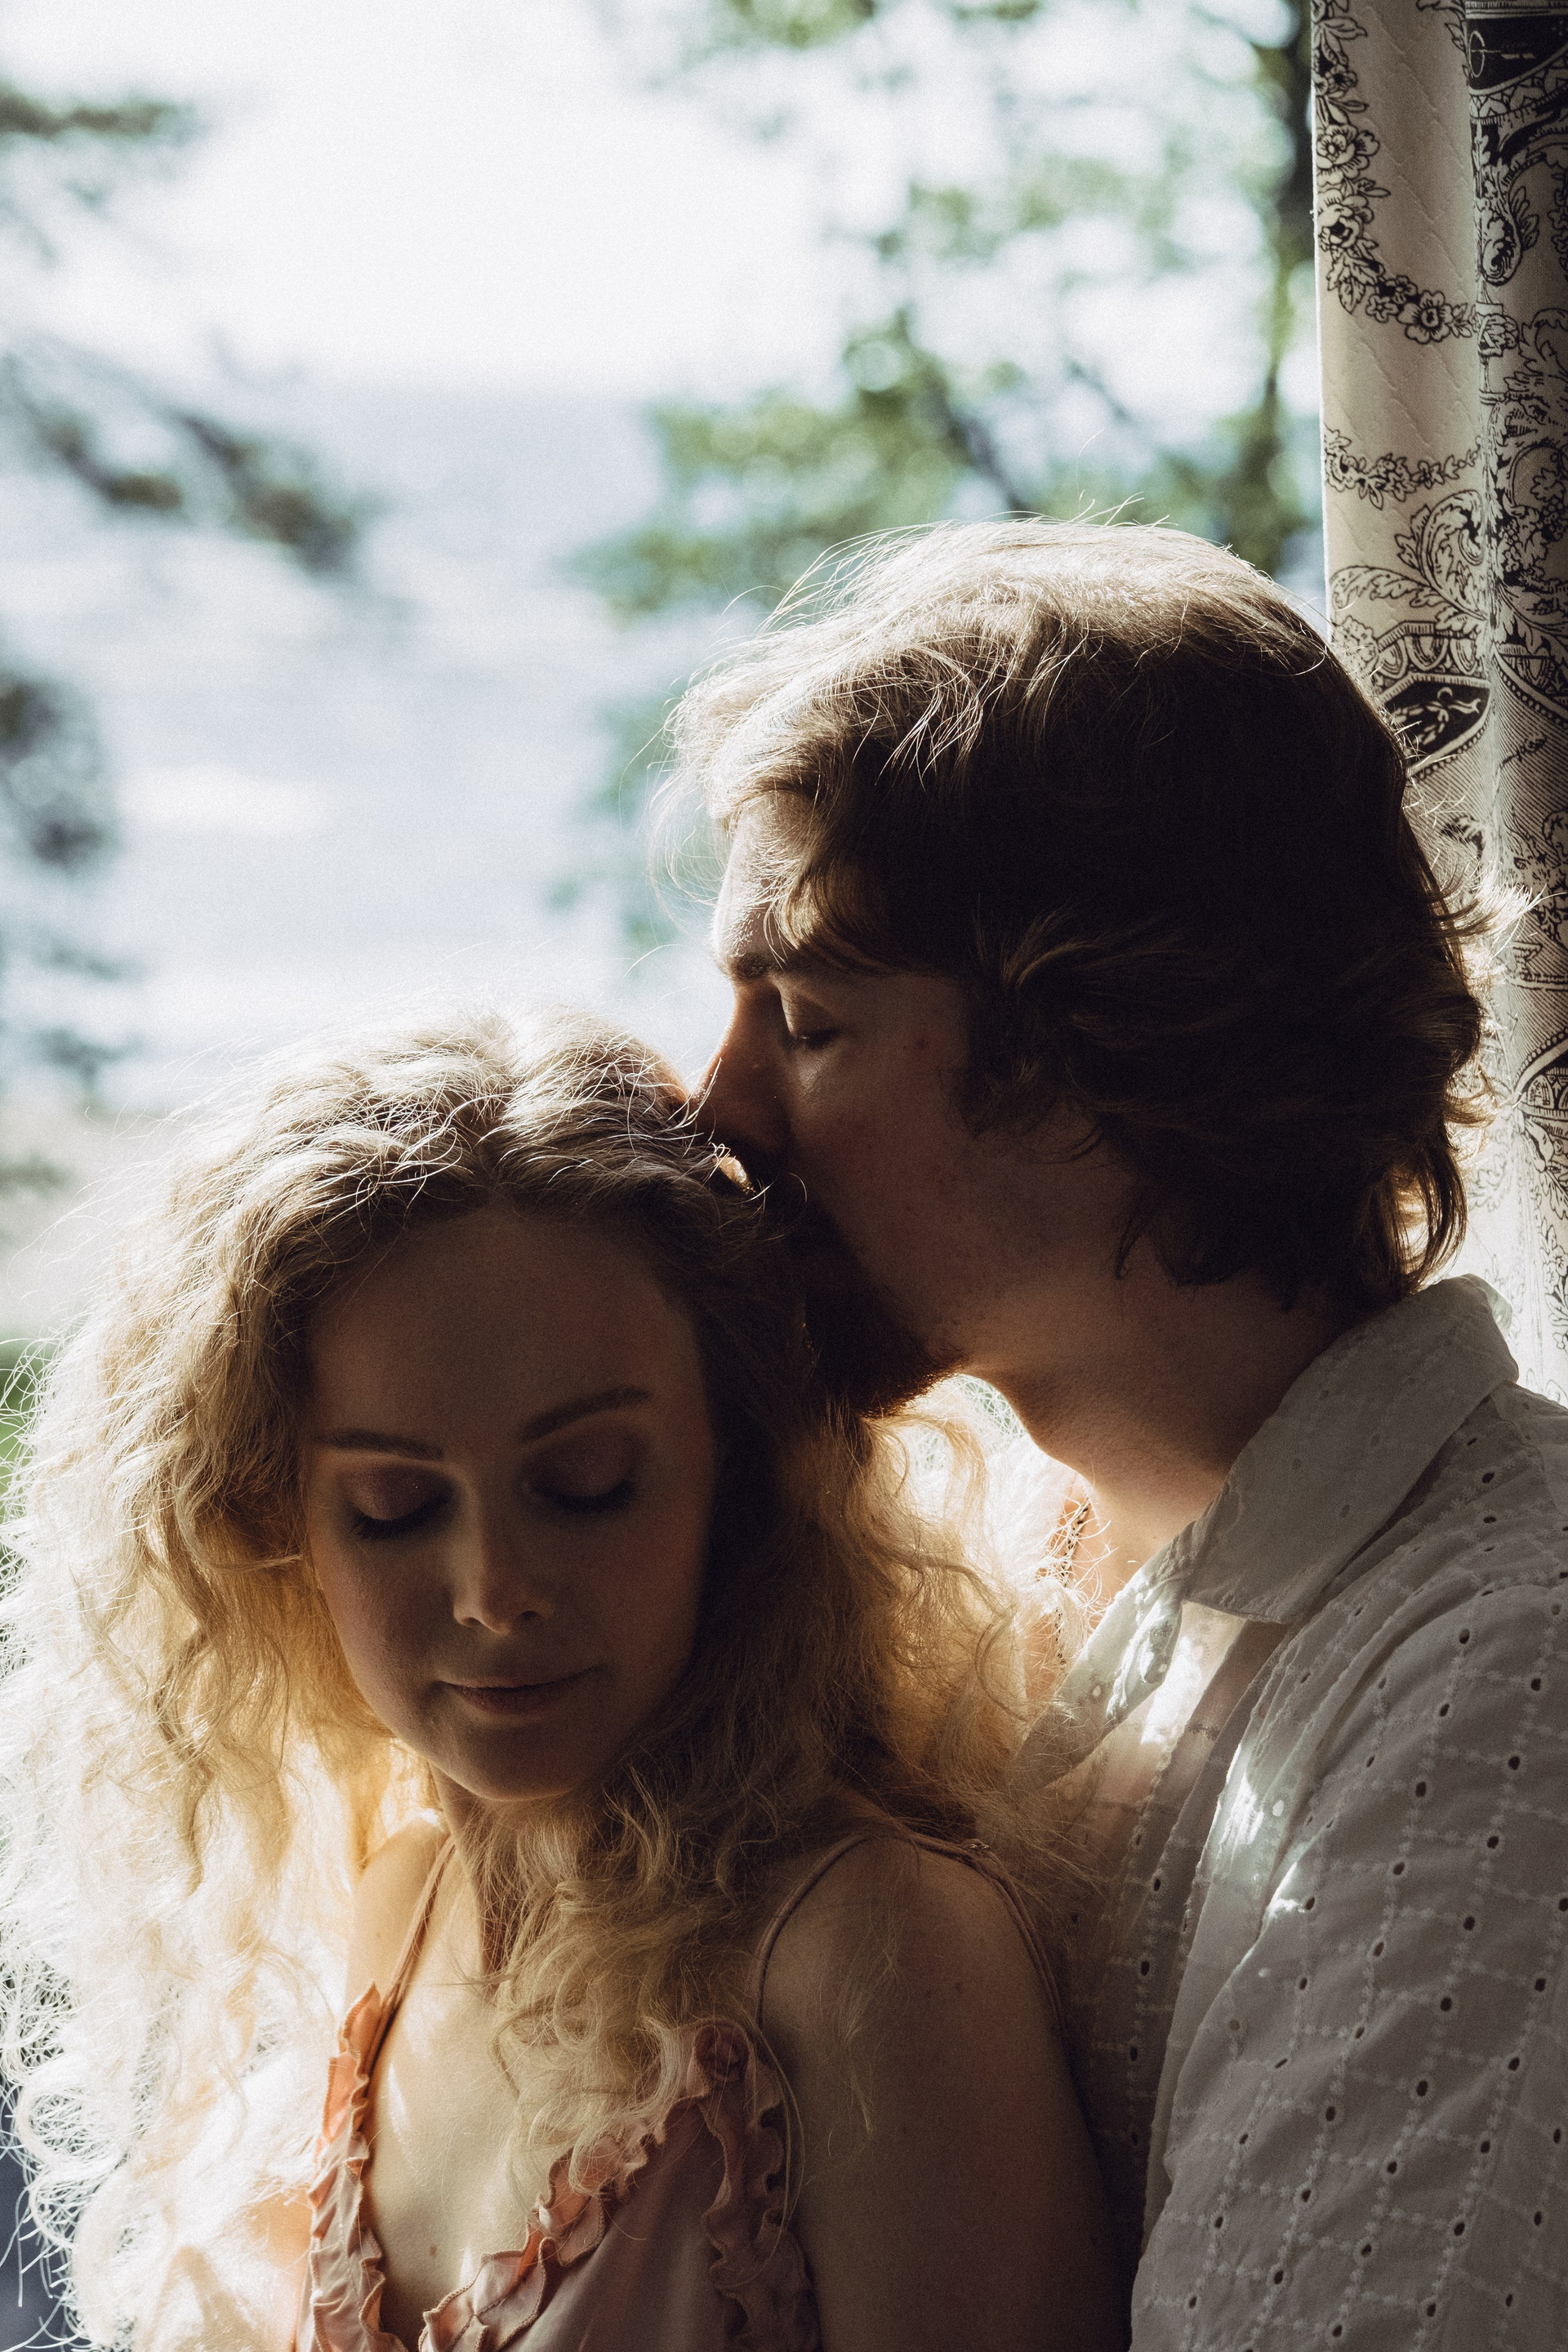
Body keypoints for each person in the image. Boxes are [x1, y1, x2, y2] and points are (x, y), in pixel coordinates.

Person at [690, 518, 1568, 2345]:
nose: (720, 1109)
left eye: (809, 1019)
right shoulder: (981, 1558)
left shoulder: (1502, 1691)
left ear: (1092, 1056)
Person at [0, 1011, 1119, 2352]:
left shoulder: (867, 1955)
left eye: (588, 1483)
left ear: (739, 1475)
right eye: (396, 1505)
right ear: (270, 1528)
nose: (496, 1588)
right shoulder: (397, 1908)